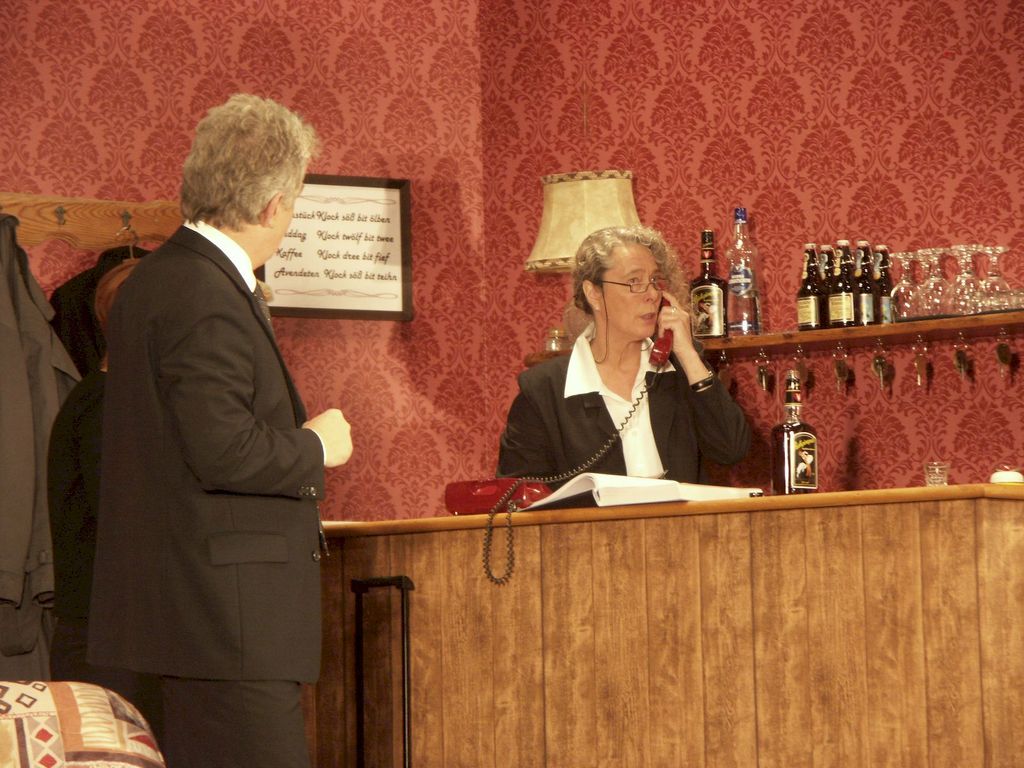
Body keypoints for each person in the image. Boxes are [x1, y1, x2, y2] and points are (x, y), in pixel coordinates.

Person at [88, 94, 353, 768]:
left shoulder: (158, 279)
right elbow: (223, 450)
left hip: (187, 621)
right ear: (274, 205)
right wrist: (317, 445)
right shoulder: (204, 291)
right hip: (225, 629)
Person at [498, 225, 749, 486]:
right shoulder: (542, 390)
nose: (652, 294)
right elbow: (515, 495)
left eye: (654, 281)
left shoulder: (680, 371)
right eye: (634, 282)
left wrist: (687, 353)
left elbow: (732, 450)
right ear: (594, 293)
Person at [47, 259, 163, 734]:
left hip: (114, 635)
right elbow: (127, 525)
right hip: (107, 641)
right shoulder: (107, 405)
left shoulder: (109, 398)